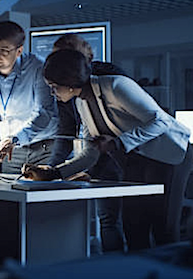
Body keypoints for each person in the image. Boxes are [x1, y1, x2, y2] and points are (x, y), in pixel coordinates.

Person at [23, 49, 193, 252]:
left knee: (163, 228)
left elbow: (161, 120)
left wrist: (118, 143)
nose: (53, 92)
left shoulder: (116, 85)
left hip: (169, 155)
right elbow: (90, 152)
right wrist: (54, 173)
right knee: (134, 227)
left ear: (70, 83)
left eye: (54, 87)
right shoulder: (81, 102)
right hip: (137, 160)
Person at [49, 34, 127, 253]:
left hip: (123, 154)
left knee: (121, 222)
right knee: (106, 221)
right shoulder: (62, 84)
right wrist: (52, 169)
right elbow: (66, 129)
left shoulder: (110, 76)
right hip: (93, 154)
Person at [0, 20, 57, 176]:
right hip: (12, 151)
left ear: (19, 51)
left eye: (4, 50)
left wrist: (15, 138)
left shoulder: (38, 67)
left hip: (45, 147)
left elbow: (44, 113)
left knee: (44, 196)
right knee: (10, 195)